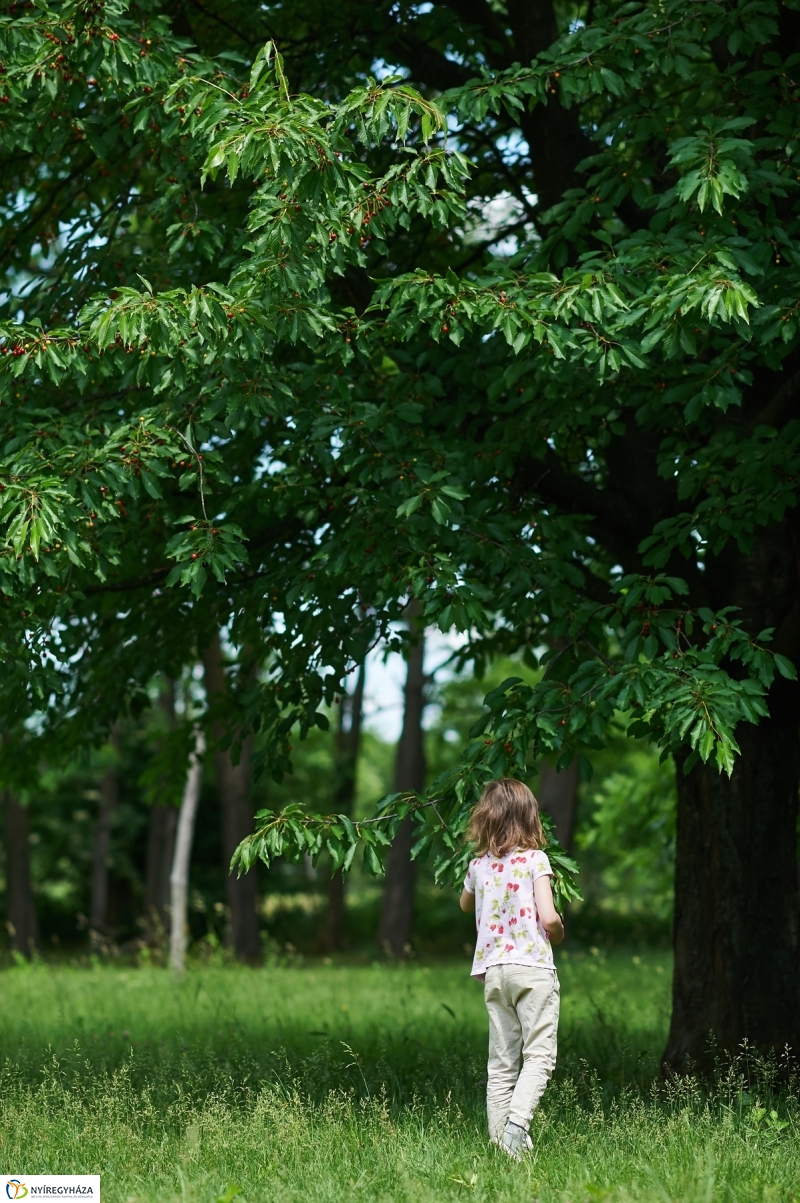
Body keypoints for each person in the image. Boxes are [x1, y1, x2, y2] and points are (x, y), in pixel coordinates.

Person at [460, 777, 564, 1161]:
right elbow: (549, 918)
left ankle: (501, 1144)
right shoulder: (536, 860)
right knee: (539, 1056)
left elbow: (463, 904)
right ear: (529, 818)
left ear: (485, 819)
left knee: (502, 1062)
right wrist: (559, 930)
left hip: (494, 973)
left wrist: (481, 882)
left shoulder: (477, 866)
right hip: (532, 968)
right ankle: (517, 1126)